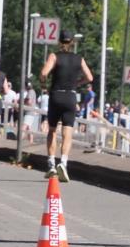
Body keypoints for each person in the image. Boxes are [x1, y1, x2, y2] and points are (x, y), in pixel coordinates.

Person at [40, 30, 94, 182]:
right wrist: (78, 83)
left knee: (52, 130)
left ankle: (51, 164)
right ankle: (63, 162)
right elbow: (89, 77)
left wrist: (44, 84)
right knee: (67, 131)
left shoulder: (54, 56)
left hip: (56, 95)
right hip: (71, 96)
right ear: (72, 43)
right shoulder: (79, 59)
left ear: (59, 41)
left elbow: (44, 73)